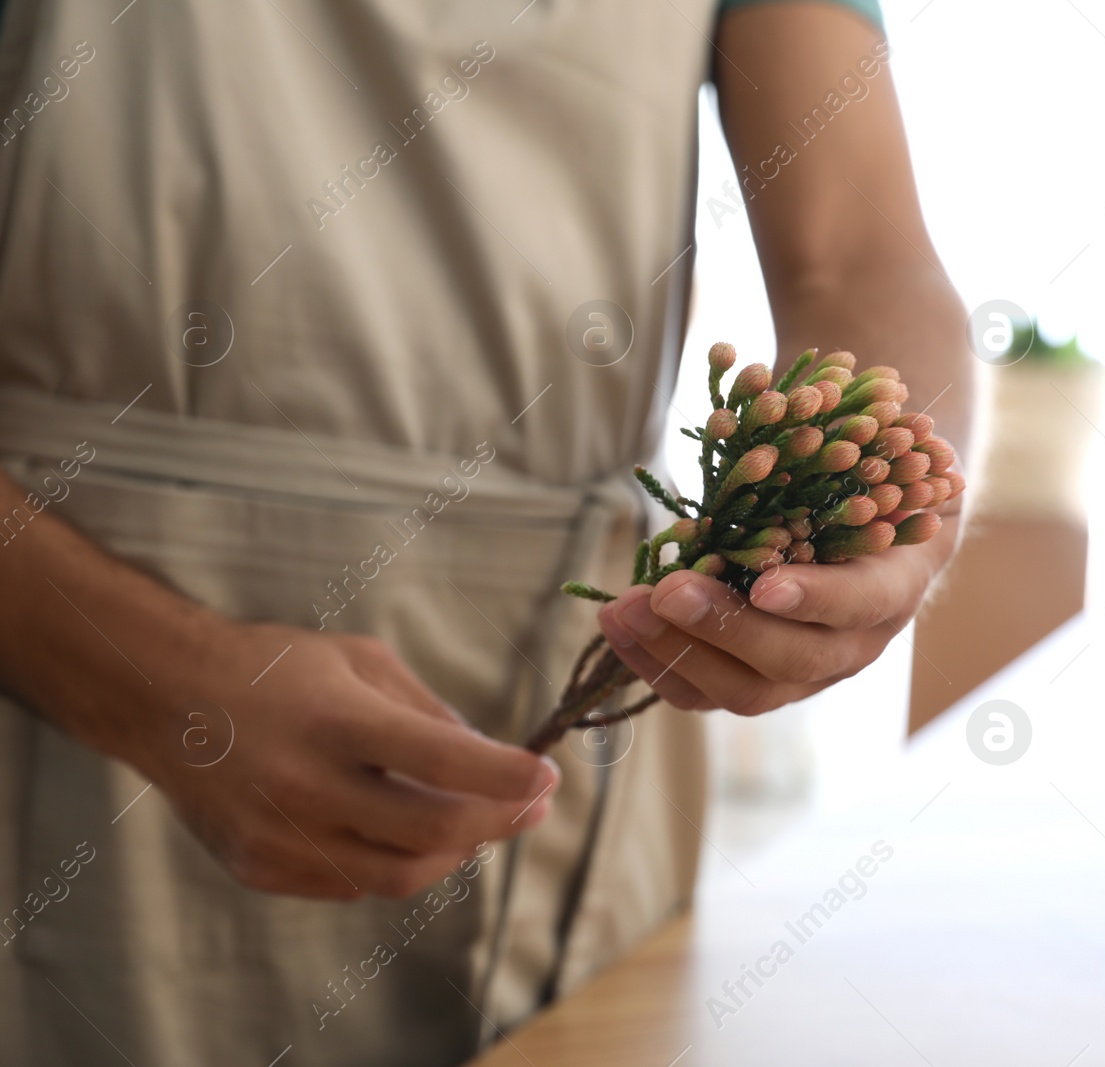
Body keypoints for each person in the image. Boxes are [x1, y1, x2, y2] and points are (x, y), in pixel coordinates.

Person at [0, 0, 970, 1063]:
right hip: (63, 696)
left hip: (582, 712)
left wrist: (881, 517)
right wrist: (137, 674)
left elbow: (859, 255)